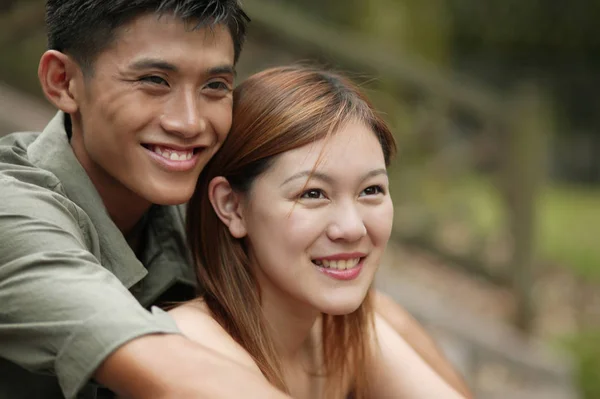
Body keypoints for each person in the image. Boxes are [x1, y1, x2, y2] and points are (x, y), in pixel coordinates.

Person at [0, 0, 468, 398]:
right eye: (154, 81)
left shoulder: (199, 194)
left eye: (214, 86)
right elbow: (166, 365)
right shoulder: (14, 211)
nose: (189, 122)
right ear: (63, 81)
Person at [170, 65, 469, 398]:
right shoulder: (192, 347)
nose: (352, 228)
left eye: (370, 190)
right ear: (232, 206)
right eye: (313, 194)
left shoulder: (341, 334)